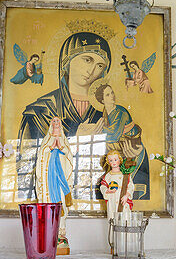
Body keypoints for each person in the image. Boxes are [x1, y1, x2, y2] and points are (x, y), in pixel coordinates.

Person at [17, 31, 111, 201]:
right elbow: (25, 165)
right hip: (51, 193)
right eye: (87, 59)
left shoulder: (104, 113)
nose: (91, 70)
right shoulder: (40, 111)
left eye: (100, 65)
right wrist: (74, 137)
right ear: (67, 60)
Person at [93, 82, 150, 200]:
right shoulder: (105, 113)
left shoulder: (121, 112)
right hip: (116, 148)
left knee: (125, 181)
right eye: (108, 94)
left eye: (112, 93)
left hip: (131, 146)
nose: (112, 96)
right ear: (102, 100)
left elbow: (114, 134)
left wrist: (94, 131)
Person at [34, 117, 73, 254]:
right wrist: (51, 148)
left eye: (58, 122)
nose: (56, 123)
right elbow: (42, 156)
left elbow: (69, 156)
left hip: (61, 179)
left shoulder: (64, 140)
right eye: (54, 121)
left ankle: (61, 236)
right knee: (49, 203)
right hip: (48, 180)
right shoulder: (46, 140)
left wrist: (61, 148)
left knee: (61, 203)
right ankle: (49, 235)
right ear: (51, 124)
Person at [98, 150, 133, 225]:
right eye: (111, 160)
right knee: (113, 221)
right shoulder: (108, 175)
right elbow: (103, 186)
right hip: (112, 200)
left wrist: (127, 195)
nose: (113, 162)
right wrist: (107, 191)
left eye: (115, 159)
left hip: (123, 200)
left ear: (119, 160)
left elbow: (131, 186)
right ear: (108, 162)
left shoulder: (125, 174)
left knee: (125, 221)